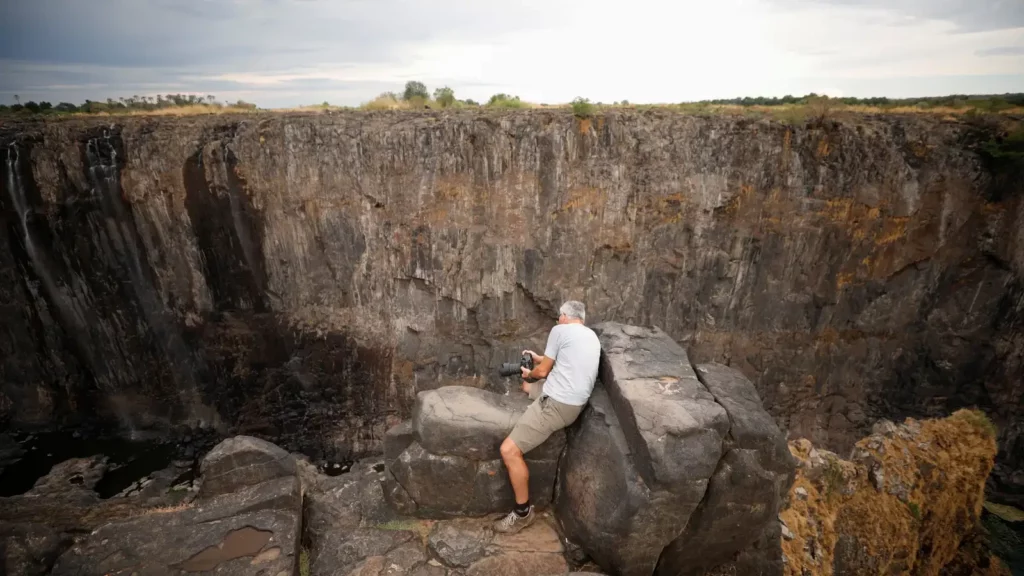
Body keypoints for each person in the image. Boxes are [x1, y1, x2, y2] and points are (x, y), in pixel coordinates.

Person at [493, 300, 601, 534]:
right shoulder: (590, 335)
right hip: (575, 401)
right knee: (526, 388)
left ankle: (522, 513)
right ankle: (526, 379)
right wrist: (537, 358)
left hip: (556, 404)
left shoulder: (559, 330)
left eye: (558, 316)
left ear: (563, 316)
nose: (557, 320)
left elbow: (542, 372)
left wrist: (530, 373)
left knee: (508, 450)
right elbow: (558, 362)